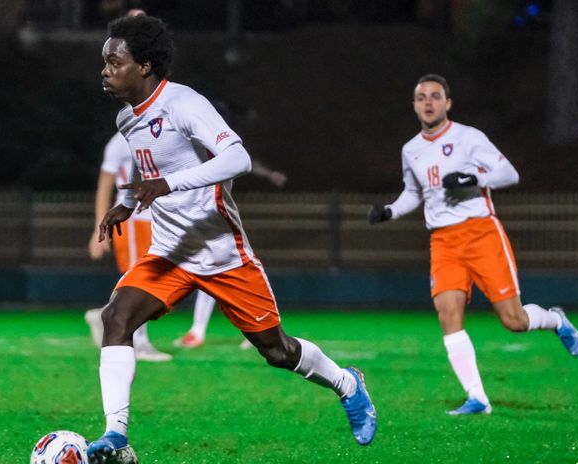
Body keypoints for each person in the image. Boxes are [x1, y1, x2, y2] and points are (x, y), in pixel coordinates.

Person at [87, 15, 377, 463]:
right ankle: (115, 437)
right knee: (117, 318)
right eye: (104, 61)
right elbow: (153, 171)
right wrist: (133, 202)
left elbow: (237, 158)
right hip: (169, 251)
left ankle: (346, 383)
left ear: (144, 66)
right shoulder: (127, 118)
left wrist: (168, 185)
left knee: (278, 351)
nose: (105, 69)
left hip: (222, 252)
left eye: (114, 61)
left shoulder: (185, 104)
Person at [368, 74, 578, 415]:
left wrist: (475, 179)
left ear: (448, 103)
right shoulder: (410, 149)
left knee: (513, 320)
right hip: (442, 241)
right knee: (448, 315)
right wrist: (390, 211)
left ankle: (556, 321)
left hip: (481, 233)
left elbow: (509, 173)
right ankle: (478, 398)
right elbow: (414, 192)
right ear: (414, 105)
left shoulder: (469, 138)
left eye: (435, 96)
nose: (428, 102)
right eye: (421, 96)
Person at [173, 157, 287, 350]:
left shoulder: (213, 143)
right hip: (205, 219)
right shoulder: (191, 147)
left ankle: (266, 328)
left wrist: (269, 174)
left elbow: (243, 159)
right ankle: (198, 331)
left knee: (240, 268)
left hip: (222, 218)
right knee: (210, 269)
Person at [85, 131, 172, 362]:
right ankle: (139, 342)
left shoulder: (160, 133)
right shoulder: (122, 140)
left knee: (159, 280)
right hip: (133, 219)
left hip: (157, 219)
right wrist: (98, 228)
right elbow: (105, 185)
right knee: (142, 281)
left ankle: (106, 313)